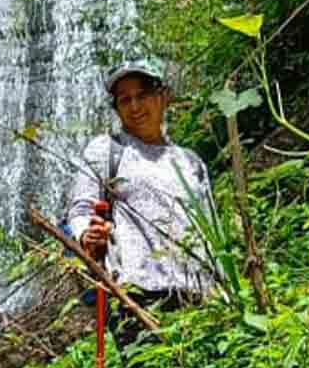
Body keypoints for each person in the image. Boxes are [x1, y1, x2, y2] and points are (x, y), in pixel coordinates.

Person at [66, 59, 217, 346]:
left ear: (163, 96)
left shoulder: (191, 162)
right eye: (125, 100)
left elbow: (210, 229)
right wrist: (88, 233)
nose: (135, 106)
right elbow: (81, 210)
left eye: (143, 95)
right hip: (138, 296)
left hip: (200, 297)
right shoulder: (108, 150)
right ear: (117, 109)